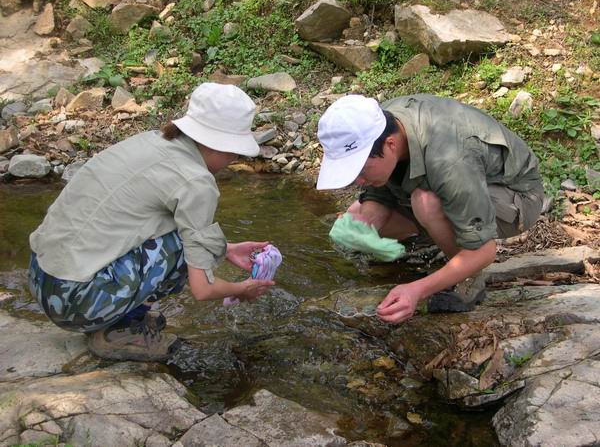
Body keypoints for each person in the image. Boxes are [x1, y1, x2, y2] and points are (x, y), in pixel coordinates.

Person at [28, 83, 275, 361]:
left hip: (42, 278)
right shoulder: (197, 181)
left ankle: (122, 314)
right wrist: (242, 289)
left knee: (184, 238)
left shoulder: (150, 141)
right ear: (218, 144)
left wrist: (225, 249)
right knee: (181, 249)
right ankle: (118, 331)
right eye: (235, 152)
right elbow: (203, 289)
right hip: (74, 305)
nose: (234, 159)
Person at [316, 94, 544, 324]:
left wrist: (417, 290)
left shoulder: (449, 160)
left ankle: (469, 279)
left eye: (361, 170)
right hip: (449, 185)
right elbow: (379, 193)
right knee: (355, 217)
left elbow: (485, 251)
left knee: (426, 203)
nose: (357, 181)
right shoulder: (378, 124)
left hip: (513, 196)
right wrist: (365, 227)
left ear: (390, 145)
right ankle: (437, 239)